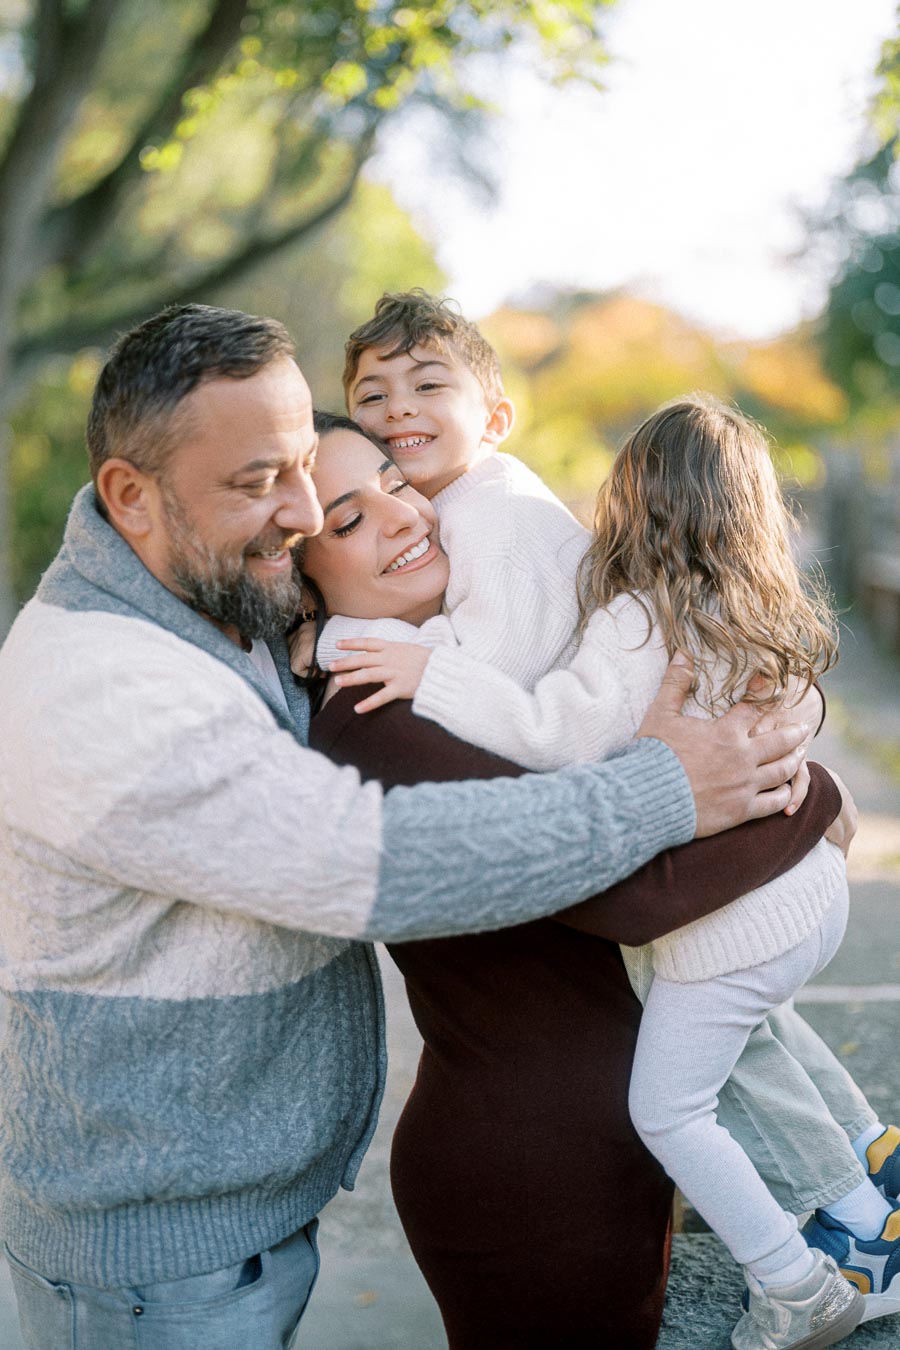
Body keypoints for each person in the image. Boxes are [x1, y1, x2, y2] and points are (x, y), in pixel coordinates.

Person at [0, 305, 816, 1350]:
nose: (297, 513)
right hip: (159, 1255)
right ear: (131, 496)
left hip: (239, 1215)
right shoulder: (107, 682)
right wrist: (683, 788)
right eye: (266, 485)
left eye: (330, 476)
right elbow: (379, 859)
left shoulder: (225, 610)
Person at [322, 398, 900, 1349]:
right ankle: (825, 1250)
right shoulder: (380, 715)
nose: (409, 513)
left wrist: (803, 788)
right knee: (726, 1050)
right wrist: (803, 804)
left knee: (744, 1034)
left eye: (401, 483)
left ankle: (855, 1195)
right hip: (535, 1185)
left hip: (592, 1165)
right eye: (348, 519)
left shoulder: (480, 651)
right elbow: (628, 893)